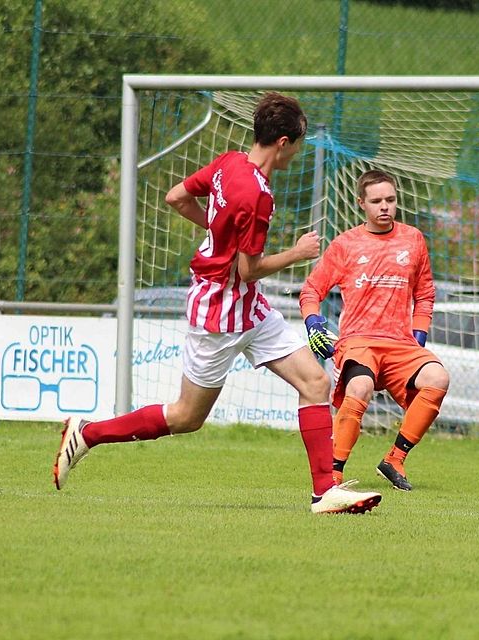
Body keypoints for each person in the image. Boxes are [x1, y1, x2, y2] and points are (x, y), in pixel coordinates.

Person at [54, 92, 381, 514]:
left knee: (315, 383)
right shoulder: (257, 195)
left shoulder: (229, 163)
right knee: (187, 417)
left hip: (248, 307)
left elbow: (176, 197)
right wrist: (298, 254)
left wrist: (218, 230)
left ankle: (325, 492)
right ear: (283, 142)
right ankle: (88, 433)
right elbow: (248, 269)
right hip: (219, 313)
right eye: (298, 144)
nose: (297, 153)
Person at [299, 169, 450, 491]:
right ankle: (333, 475)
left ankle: (395, 459)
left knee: (438, 378)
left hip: (401, 343)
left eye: (390, 200)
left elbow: (425, 293)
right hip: (358, 341)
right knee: (360, 387)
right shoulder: (346, 244)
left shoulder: (413, 239)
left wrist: (419, 335)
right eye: (377, 201)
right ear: (361, 204)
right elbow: (311, 290)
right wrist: (313, 324)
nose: (384, 206)